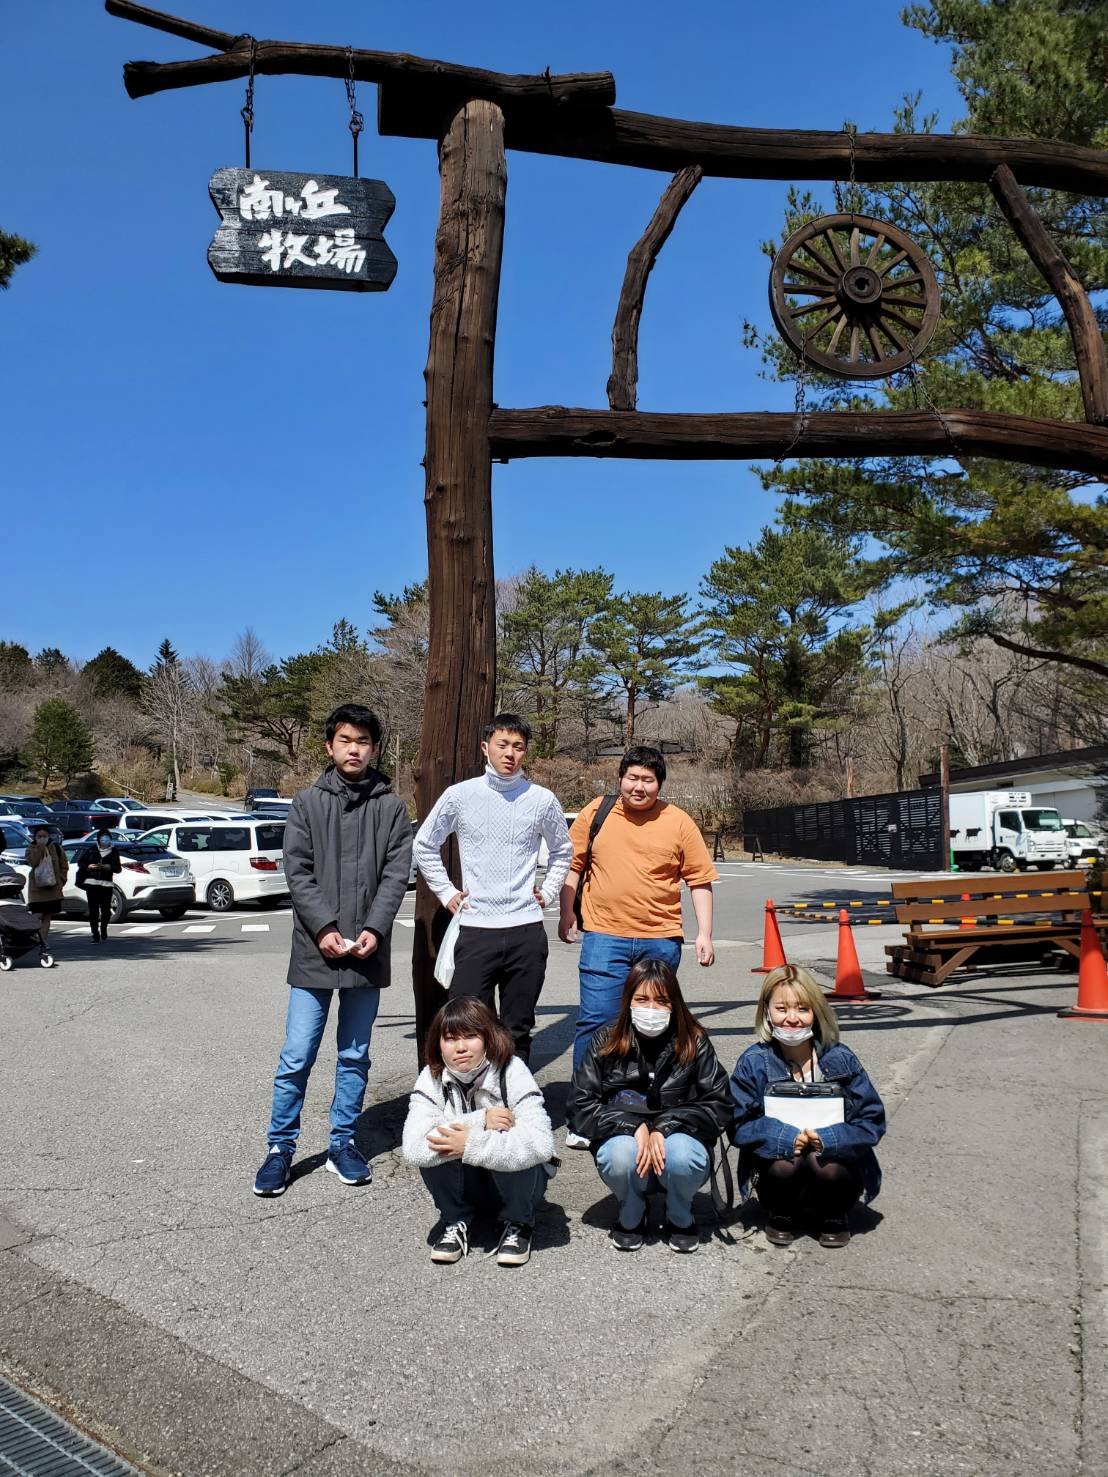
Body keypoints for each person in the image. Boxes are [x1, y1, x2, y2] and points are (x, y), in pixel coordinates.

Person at [253, 704, 413, 1198]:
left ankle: (342, 1143)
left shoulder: (391, 807)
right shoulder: (306, 803)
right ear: (329, 746)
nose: (354, 749)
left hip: (367, 951)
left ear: (374, 748)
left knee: (354, 1055)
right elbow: (297, 871)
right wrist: (323, 926)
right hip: (314, 952)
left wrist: (375, 929)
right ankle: (280, 1148)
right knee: (297, 1054)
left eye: (363, 741)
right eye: (345, 740)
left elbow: (396, 875)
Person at [558, 746, 718, 1147]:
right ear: (620, 778)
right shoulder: (597, 812)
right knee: (596, 1022)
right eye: (632, 777)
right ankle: (584, 1116)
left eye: (648, 779)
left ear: (659, 784)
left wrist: (705, 933)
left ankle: (649, 1107)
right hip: (604, 937)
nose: (639, 786)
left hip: (660, 939)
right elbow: (572, 867)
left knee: (656, 1027)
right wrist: (566, 913)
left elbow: (699, 879)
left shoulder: (678, 820)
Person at [414, 713, 571, 1063]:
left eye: (518, 746)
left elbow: (563, 851)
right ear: (485, 748)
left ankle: (514, 1093)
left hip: (526, 930)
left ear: (526, 752)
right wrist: (446, 892)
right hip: (476, 928)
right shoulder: (460, 795)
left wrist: (548, 892)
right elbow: (424, 844)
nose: (510, 753)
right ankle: (475, 1095)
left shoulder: (542, 799)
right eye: (502, 745)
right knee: (469, 1026)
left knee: (518, 1027)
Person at [568, 959, 732, 1253]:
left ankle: (679, 1213)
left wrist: (666, 1127)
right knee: (619, 1154)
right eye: (642, 1000)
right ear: (628, 1001)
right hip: (626, 1140)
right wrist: (633, 1126)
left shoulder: (694, 1040)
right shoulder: (606, 1040)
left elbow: (719, 1103)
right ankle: (632, 1210)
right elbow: (580, 1105)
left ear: (674, 1004)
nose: (651, 1009)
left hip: (679, 1139)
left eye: (662, 1001)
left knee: (682, 1155)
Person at [730, 964, 886, 1248]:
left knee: (822, 1161)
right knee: (785, 1162)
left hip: (836, 1172)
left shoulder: (841, 1058)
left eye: (802, 1009)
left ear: (816, 1012)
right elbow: (738, 1124)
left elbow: (872, 1119)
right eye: (782, 1009)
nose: (792, 1018)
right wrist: (784, 1137)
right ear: (766, 1011)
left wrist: (828, 1139)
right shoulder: (753, 1062)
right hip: (777, 1173)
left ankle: (834, 1215)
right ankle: (781, 1213)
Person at [402, 995, 555, 1266]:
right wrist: (479, 1121)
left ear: (488, 1038)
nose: (460, 1047)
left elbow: (542, 1143)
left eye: (471, 1036)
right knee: (435, 1141)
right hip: (467, 1181)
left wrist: (471, 1143)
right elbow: (413, 1149)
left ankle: (518, 1222)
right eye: (450, 1039)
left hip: (516, 1184)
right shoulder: (431, 1077)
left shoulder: (512, 1070)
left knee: (509, 1133)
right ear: (438, 1044)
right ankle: (456, 1219)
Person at [25, 823, 68, 949]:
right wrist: (40, 847)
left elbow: (64, 865)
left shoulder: (56, 847)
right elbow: (33, 862)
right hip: (37, 889)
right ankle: (31, 936)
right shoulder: (31, 848)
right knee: (37, 914)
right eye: (39, 836)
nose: (42, 838)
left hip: (53, 888)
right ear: (35, 837)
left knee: (48, 915)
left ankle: (43, 941)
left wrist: (62, 879)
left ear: (49, 836)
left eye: (44, 836)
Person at [76, 827, 122, 941]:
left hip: (107, 884)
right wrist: (89, 866)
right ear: (98, 840)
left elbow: (118, 868)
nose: (105, 841)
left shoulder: (114, 851)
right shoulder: (91, 850)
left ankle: (104, 928)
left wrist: (108, 867)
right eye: (102, 839)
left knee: (106, 910)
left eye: (107, 839)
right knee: (93, 911)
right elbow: (81, 863)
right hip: (92, 884)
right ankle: (95, 933)